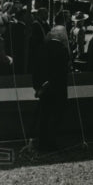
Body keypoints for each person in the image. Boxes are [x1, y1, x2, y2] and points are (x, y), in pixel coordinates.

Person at [34, 24, 70, 152]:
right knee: (56, 117)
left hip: (44, 87)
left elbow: (37, 69)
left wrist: (38, 86)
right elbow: (64, 71)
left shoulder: (42, 48)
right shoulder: (63, 50)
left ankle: (42, 143)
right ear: (61, 35)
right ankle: (52, 142)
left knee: (44, 116)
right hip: (58, 88)